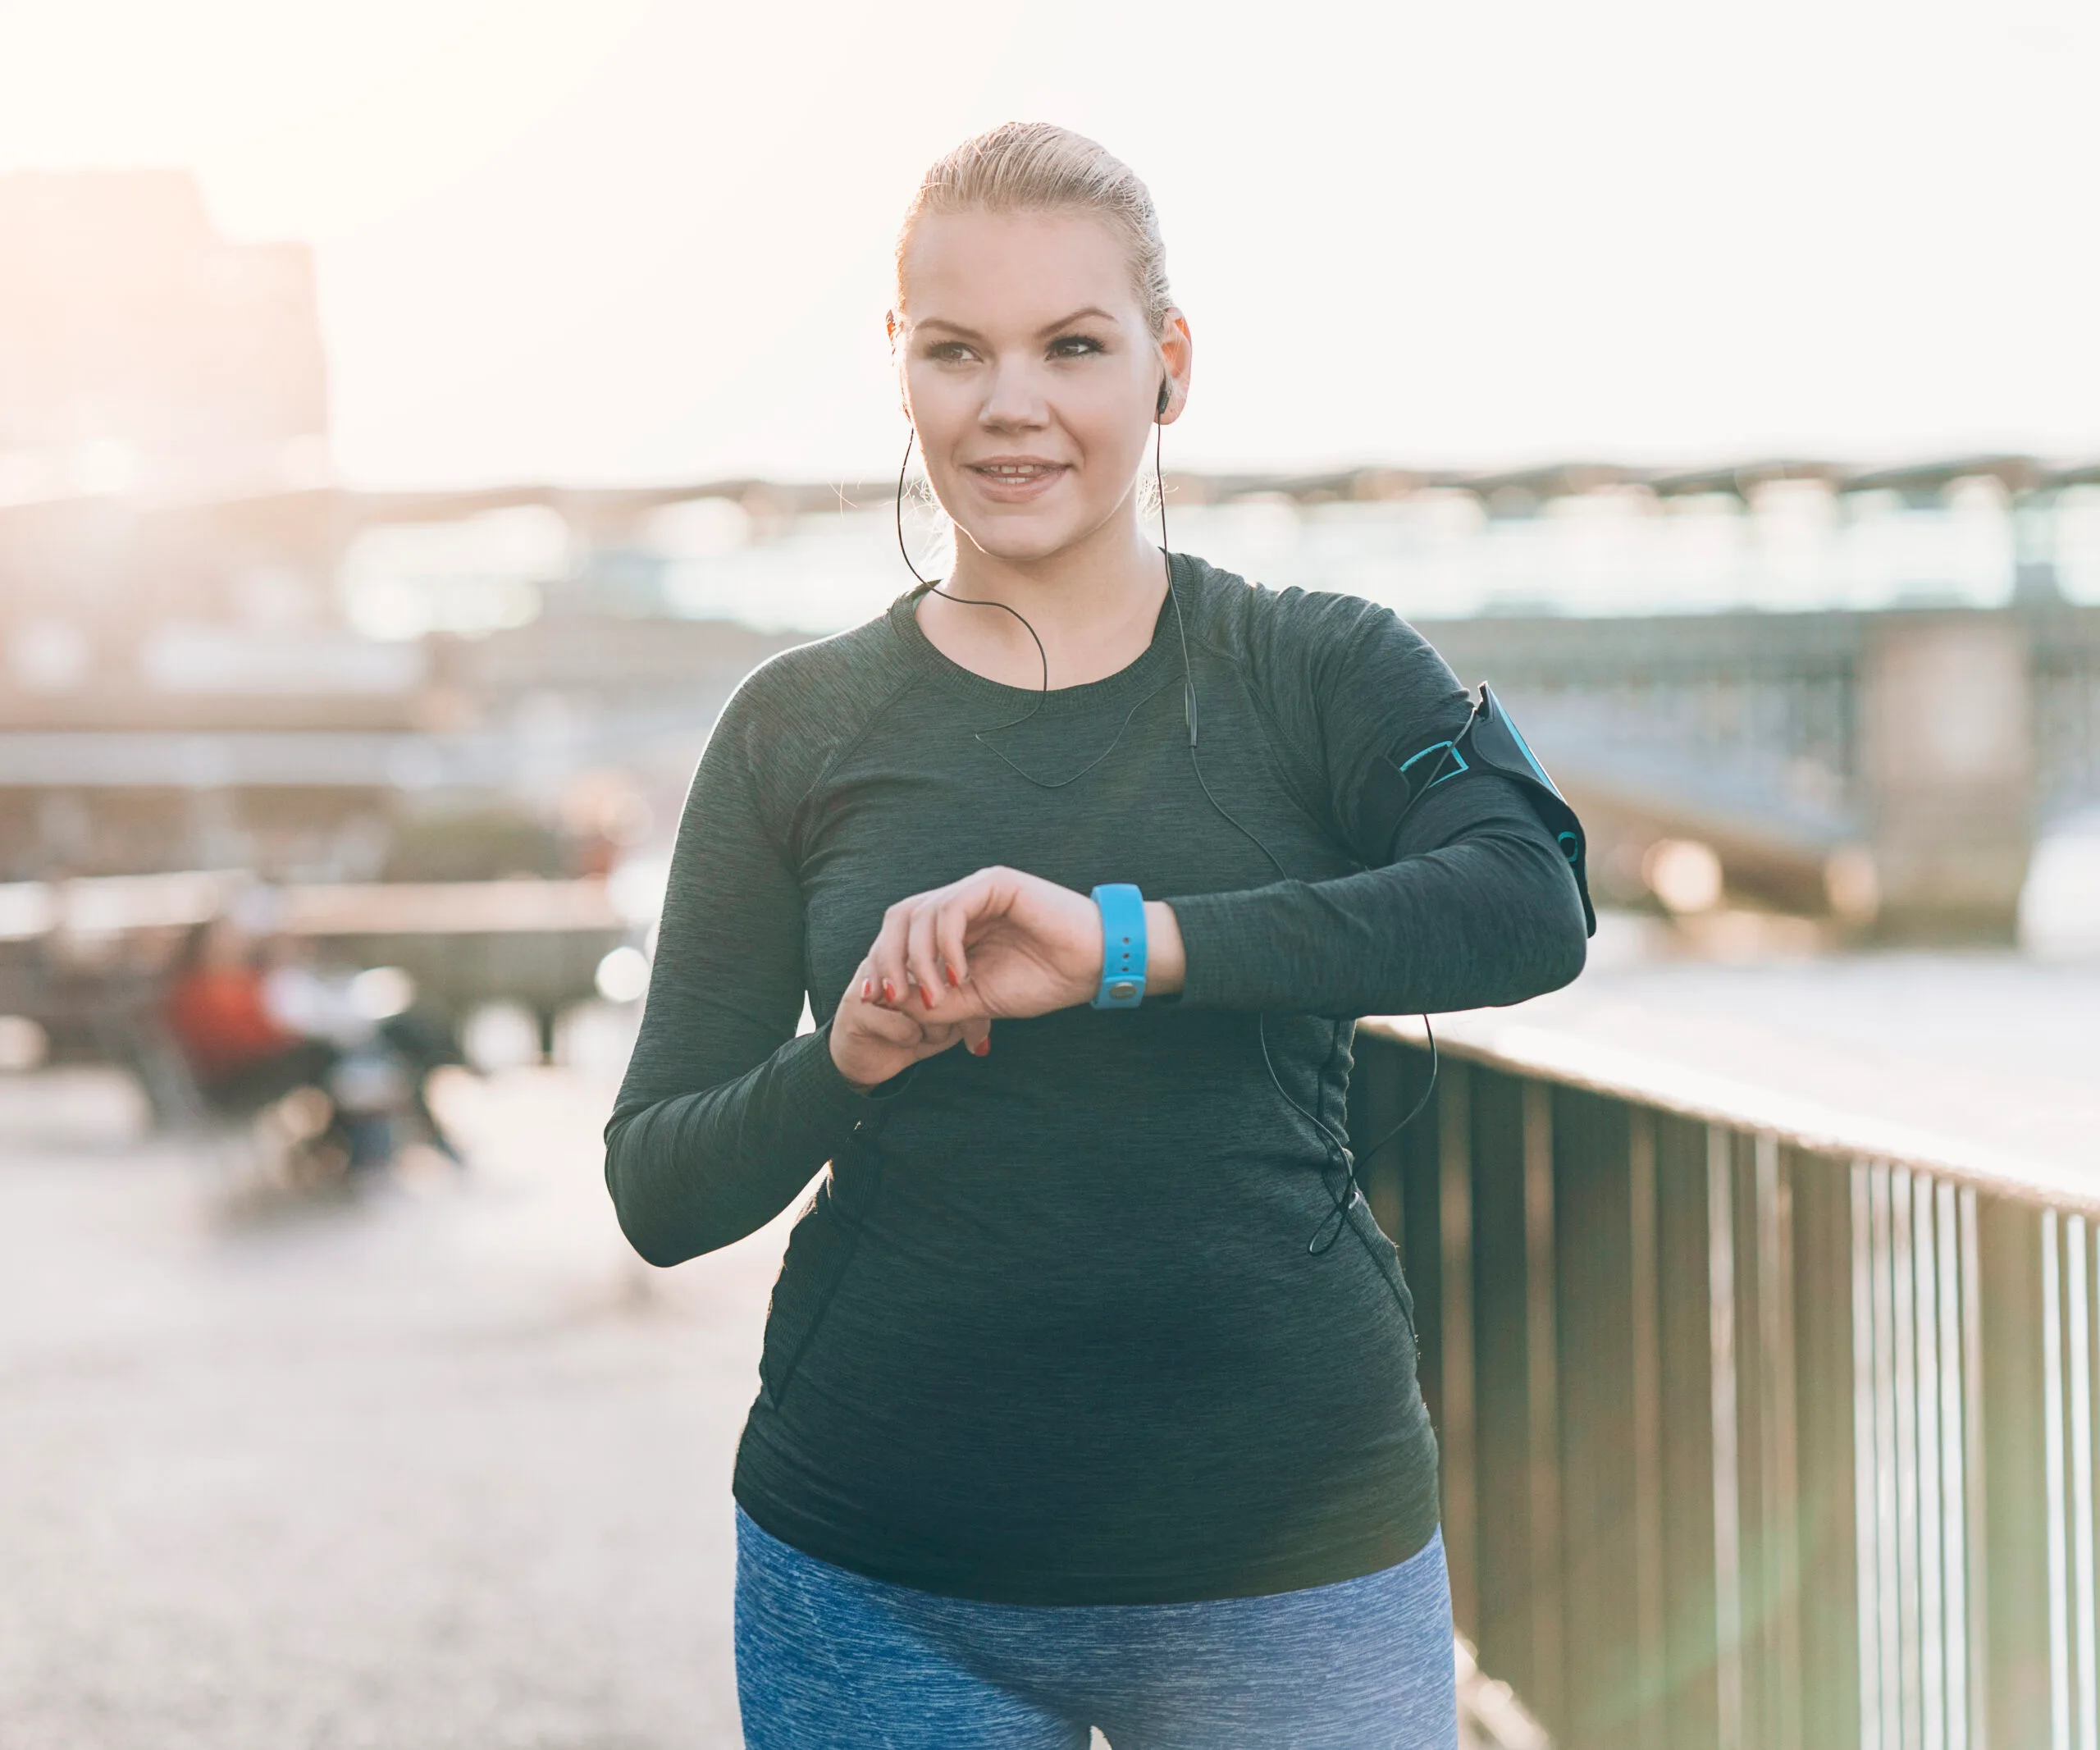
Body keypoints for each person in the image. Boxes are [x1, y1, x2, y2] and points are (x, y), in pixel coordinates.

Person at [605, 123, 1590, 1749]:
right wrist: (843, 1057)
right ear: (899, 373)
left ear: (1166, 365)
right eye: (956, 350)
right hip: (878, 1578)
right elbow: (656, 1187)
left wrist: (1126, 948)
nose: (1011, 404)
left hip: (1295, 1567)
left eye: (1072, 345)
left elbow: (1527, 898)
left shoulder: (1318, 667)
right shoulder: (794, 726)